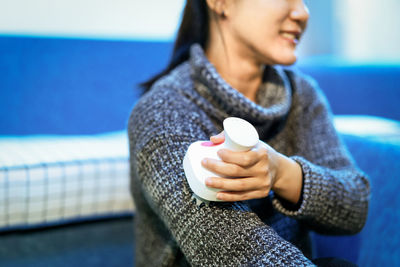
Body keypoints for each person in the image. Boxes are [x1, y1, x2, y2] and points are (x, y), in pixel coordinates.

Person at [128, 0, 370, 266]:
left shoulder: (302, 94)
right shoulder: (163, 111)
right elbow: (238, 251)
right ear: (221, 4)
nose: (302, 13)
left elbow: (355, 206)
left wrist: (282, 172)